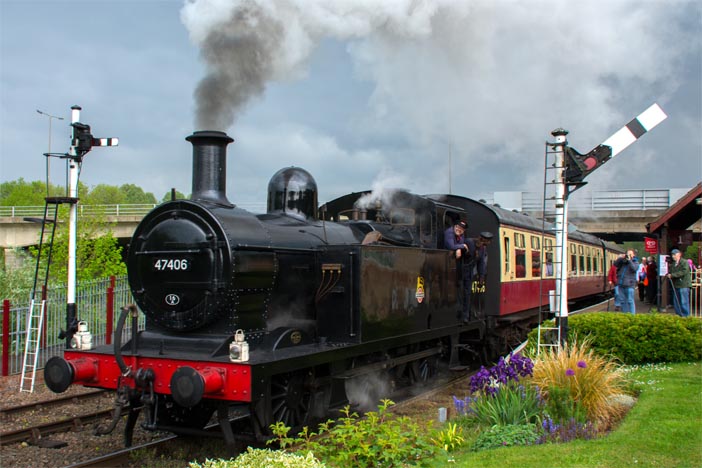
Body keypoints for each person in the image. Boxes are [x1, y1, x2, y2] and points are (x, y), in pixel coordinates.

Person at [444, 220, 474, 322]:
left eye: (461, 229)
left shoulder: (461, 236)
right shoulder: (449, 233)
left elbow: (458, 246)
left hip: (457, 267)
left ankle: (462, 314)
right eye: (457, 227)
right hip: (445, 264)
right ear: (455, 226)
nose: (459, 230)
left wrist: (459, 248)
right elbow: (451, 246)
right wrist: (461, 247)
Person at [666, 249, 691, 317]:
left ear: (679, 254)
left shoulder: (684, 262)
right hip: (676, 285)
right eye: (672, 255)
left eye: (674, 254)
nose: (673, 256)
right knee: (676, 301)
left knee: (684, 302)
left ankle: (685, 316)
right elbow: (671, 271)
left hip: (683, 285)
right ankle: (678, 315)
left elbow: (684, 271)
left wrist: (673, 275)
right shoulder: (673, 264)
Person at [614, 249, 638, 314]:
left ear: (633, 255)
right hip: (621, 284)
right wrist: (621, 258)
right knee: (622, 301)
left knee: (630, 301)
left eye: (630, 254)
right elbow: (615, 264)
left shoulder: (635, 262)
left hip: (629, 285)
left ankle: (632, 316)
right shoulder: (622, 263)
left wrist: (629, 260)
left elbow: (634, 268)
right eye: (628, 254)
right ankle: (625, 315)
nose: (629, 255)